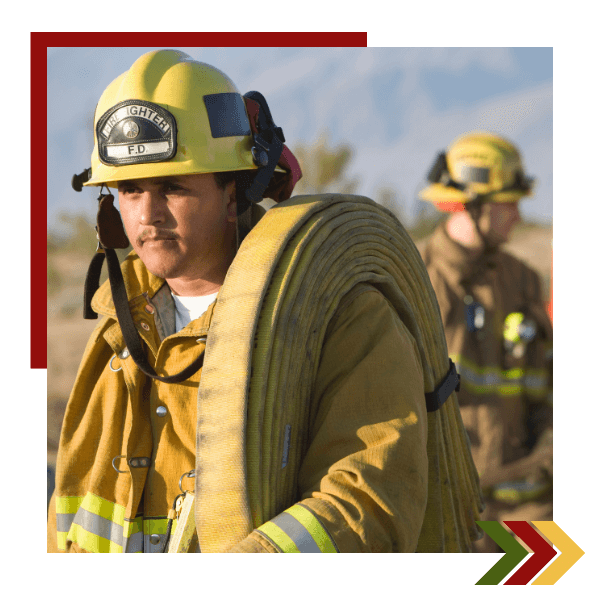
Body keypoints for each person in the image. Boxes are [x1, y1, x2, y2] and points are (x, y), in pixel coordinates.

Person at [47, 49, 482, 553]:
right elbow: (78, 513)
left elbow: (368, 502)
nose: (147, 215)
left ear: (233, 191)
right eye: (129, 190)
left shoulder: (339, 317)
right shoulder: (121, 330)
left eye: (172, 187)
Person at [418, 132, 553, 552]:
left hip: (526, 510)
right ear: (472, 204)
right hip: (444, 512)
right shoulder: (413, 278)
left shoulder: (524, 282)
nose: (517, 214)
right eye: (507, 203)